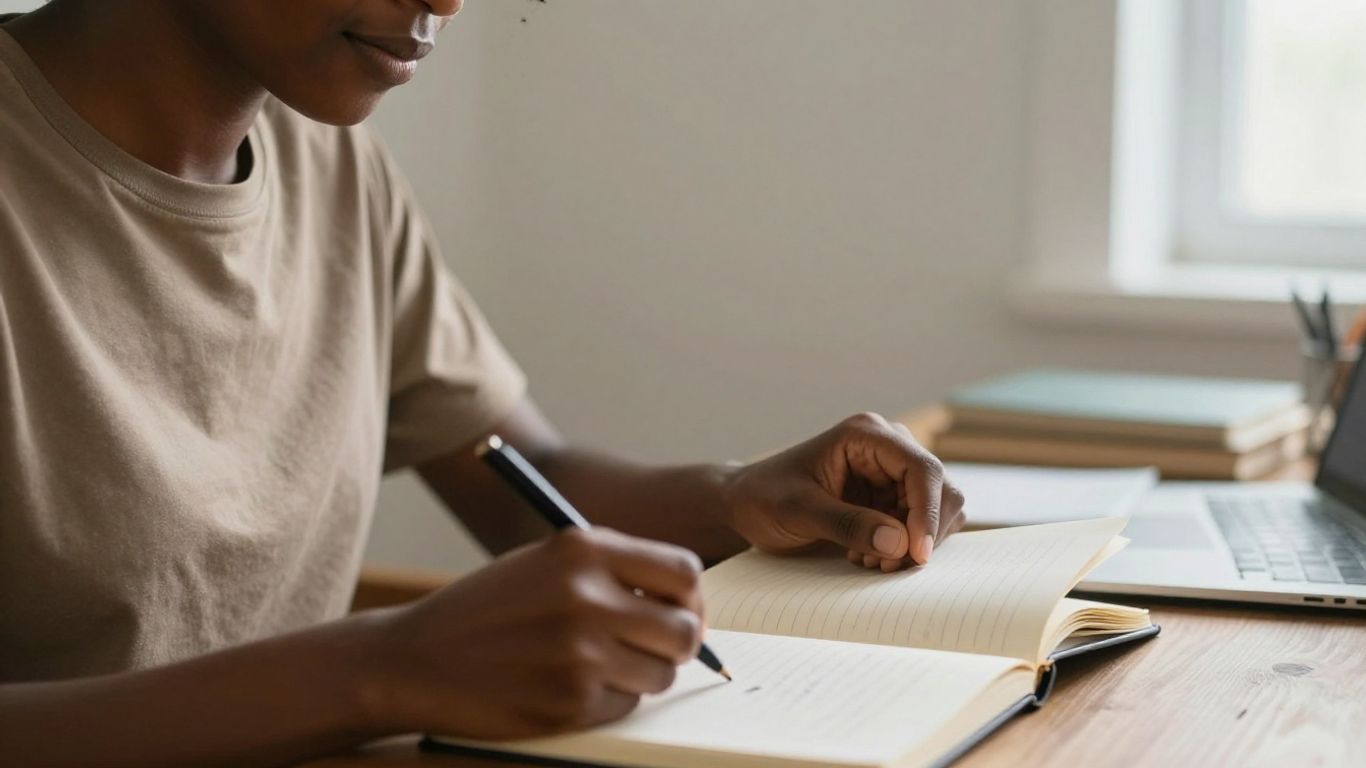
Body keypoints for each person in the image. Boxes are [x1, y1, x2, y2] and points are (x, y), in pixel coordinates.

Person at [0, 1, 966, 765]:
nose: (449, 1)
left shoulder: (332, 165)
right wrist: (376, 673)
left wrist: (739, 494)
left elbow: (522, 479)